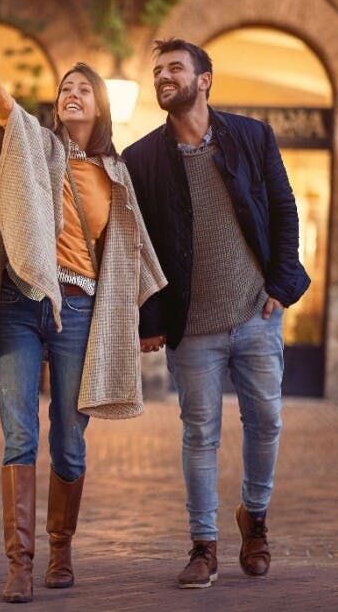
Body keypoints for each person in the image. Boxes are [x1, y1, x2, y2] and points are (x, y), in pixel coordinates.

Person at [0, 10, 166, 603]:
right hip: (25, 303)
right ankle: (19, 563)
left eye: (83, 90)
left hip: (79, 309)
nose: (72, 94)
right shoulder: (37, 145)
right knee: (18, 434)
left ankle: (60, 551)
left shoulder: (115, 175)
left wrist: (145, 322)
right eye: (65, 88)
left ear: (99, 108)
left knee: (69, 438)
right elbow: (8, 114)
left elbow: (134, 257)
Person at [122, 38, 311, 588]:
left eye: (175, 69)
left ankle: (255, 522)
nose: (164, 77)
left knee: (266, 421)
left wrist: (280, 284)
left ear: (204, 79)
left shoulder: (252, 137)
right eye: (157, 70)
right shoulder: (142, 159)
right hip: (192, 327)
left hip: (256, 313)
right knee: (199, 432)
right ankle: (204, 545)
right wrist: (151, 320)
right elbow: (142, 248)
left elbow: (283, 209)